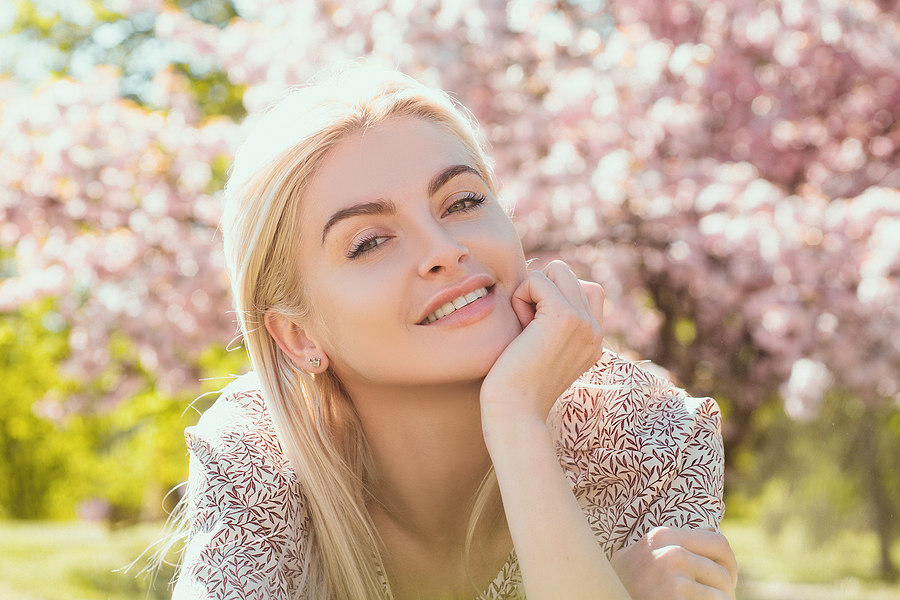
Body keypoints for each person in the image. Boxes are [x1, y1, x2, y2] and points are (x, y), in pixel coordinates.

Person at [169, 63, 737, 600]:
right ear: (298, 337)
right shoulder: (258, 457)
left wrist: (516, 417)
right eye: (370, 242)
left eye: (462, 201)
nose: (444, 249)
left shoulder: (650, 438)